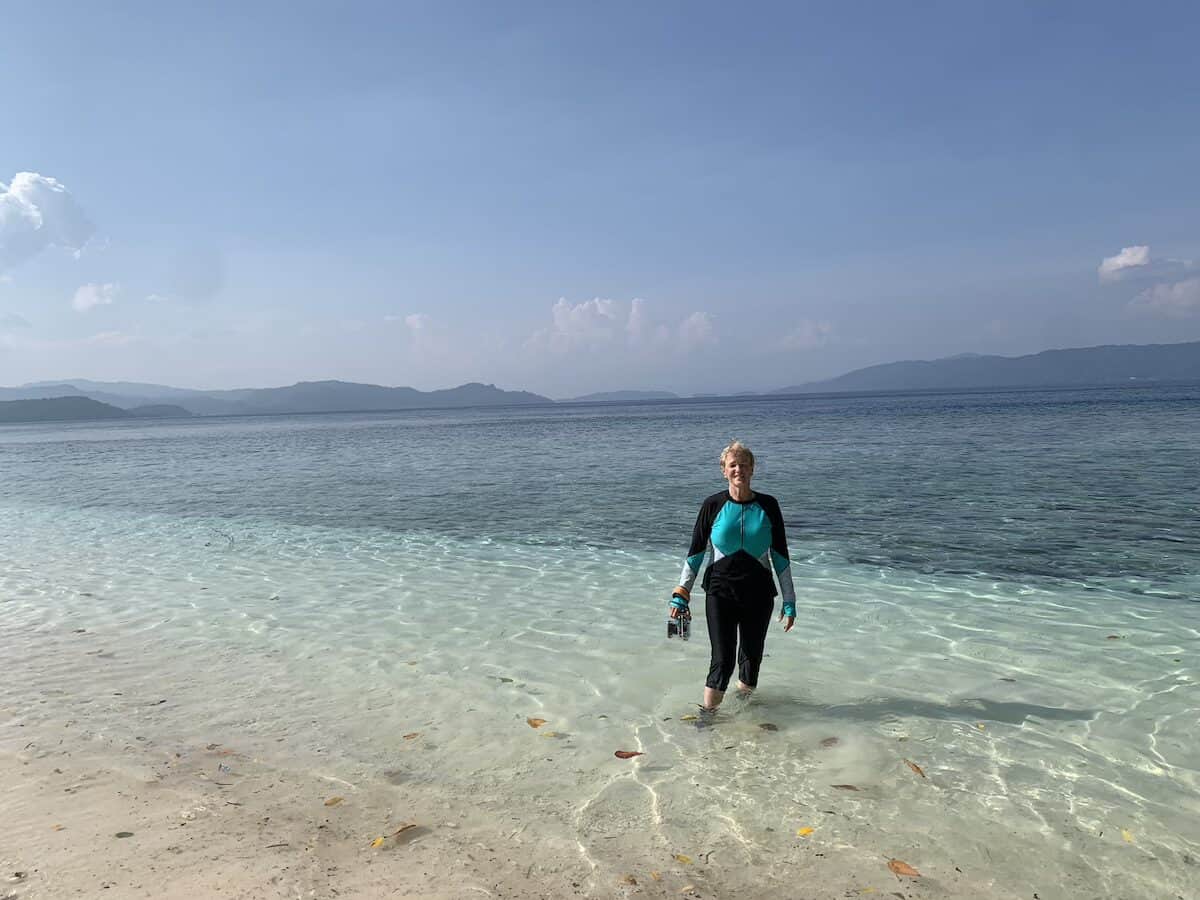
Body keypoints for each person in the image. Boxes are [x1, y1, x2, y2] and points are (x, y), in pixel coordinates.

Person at [670, 440, 795, 713]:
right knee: (722, 659)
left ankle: (742, 713)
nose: (739, 469)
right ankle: (709, 718)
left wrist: (789, 600)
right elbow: (695, 553)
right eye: (733, 465)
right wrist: (681, 592)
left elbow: (781, 555)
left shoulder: (768, 505)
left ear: (753, 470)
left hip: (759, 594)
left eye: (744, 465)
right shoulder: (712, 505)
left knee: (751, 658)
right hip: (720, 592)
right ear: (724, 471)